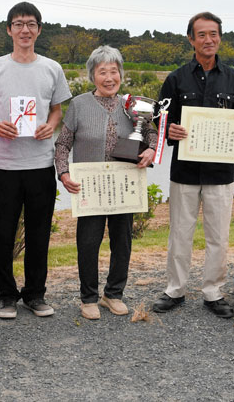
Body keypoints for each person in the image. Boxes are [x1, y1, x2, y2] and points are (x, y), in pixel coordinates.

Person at [152, 11, 234, 319]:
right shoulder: (176, 78)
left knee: (218, 234)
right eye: (201, 34)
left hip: (220, 172)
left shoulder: (233, 78)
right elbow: (157, 117)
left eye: (213, 34)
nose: (208, 40)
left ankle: (213, 291)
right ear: (191, 39)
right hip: (185, 171)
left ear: (220, 38)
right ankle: (175, 289)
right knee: (180, 231)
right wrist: (169, 129)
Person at [0, 2, 72, 319]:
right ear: (8, 29)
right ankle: (5, 296)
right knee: (3, 234)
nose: (25, 30)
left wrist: (51, 124)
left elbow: (57, 109)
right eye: (18, 24)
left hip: (40, 165)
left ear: (39, 29)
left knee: (38, 233)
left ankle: (35, 294)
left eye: (31, 24)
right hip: (2, 166)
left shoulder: (51, 68)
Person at [55, 46, 157, 320]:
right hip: (90, 188)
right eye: (103, 72)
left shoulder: (133, 105)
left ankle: (113, 294)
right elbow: (63, 144)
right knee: (88, 242)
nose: (109, 77)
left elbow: (151, 133)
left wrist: (150, 150)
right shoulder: (79, 105)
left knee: (122, 242)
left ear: (121, 74)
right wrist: (63, 173)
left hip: (124, 187)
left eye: (114, 71)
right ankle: (88, 297)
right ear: (93, 75)